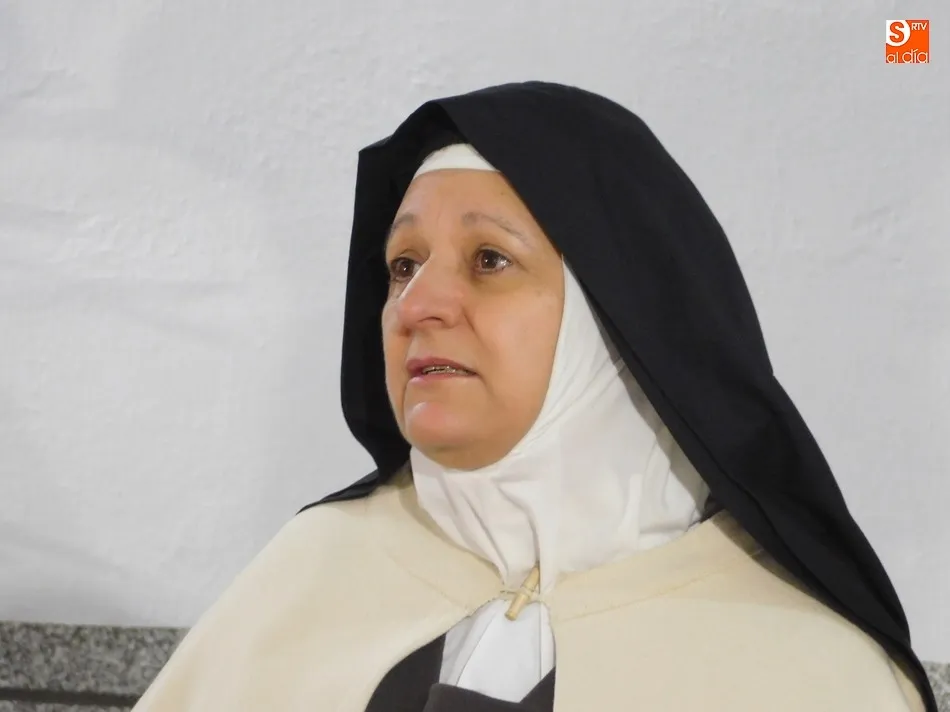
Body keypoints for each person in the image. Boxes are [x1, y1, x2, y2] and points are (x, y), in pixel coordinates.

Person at [132, 81, 936, 711]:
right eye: (403, 265)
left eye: (489, 260)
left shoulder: (804, 672)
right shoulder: (305, 578)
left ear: (613, 315)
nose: (416, 306)